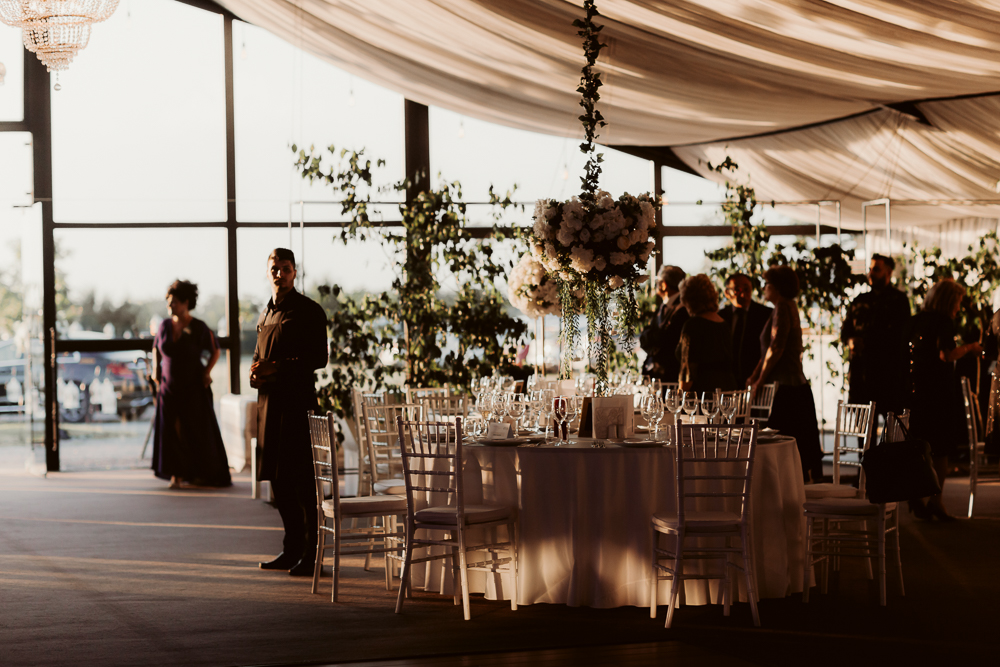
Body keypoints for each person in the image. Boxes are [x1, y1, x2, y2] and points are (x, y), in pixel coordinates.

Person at [254, 248, 330, 576]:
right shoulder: (266, 312)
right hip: (270, 405)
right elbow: (259, 356)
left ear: (295, 272)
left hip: (297, 405)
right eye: (275, 268)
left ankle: (313, 555)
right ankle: (292, 549)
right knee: (278, 481)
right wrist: (256, 374)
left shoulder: (309, 310)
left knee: (302, 483)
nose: (279, 274)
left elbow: (319, 358)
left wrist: (277, 367)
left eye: (285, 268)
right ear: (268, 272)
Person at [907, 279, 981, 521]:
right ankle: (936, 501)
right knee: (941, 449)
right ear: (949, 301)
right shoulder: (943, 322)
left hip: (916, 391)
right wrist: (970, 348)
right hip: (938, 393)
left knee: (919, 446)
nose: (959, 307)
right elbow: (946, 354)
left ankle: (916, 495)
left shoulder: (917, 320)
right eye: (958, 302)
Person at [151, 280, 232, 489]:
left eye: (174, 302)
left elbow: (215, 350)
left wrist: (206, 372)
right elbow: (156, 348)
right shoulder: (164, 326)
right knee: (171, 429)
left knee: (194, 430)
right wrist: (155, 370)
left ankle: (198, 472)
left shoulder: (198, 327)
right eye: (169, 302)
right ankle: (176, 474)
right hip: (168, 386)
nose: (170, 306)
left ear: (186, 302)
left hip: (192, 386)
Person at [748, 265, 824, 482]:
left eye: (767, 284)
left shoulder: (782, 307)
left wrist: (760, 380)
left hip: (787, 389)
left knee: (780, 443)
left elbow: (776, 348)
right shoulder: (785, 306)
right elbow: (769, 349)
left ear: (777, 287)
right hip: (792, 386)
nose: (764, 288)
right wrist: (756, 375)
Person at [841, 254, 911, 417]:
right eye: (870, 269)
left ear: (889, 272)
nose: (871, 273)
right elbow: (845, 331)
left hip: (888, 376)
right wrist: (851, 341)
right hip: (862, 376)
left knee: (891, 426)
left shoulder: (899, 301)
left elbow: (901, 336)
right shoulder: (859, 300)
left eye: (876, 269)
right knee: (863, 426)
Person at [676, 274, 737, 393]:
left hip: (704, 394)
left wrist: (680, 393)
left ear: (689, 300)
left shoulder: (692, 325)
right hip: (727, 390)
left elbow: (688, 369)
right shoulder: (723, 324)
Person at [718, 272, 772, 387]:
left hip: (755, 380)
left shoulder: (765, 314)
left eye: (747, 289)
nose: (743, 294)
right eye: (737, 290)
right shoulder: (720, 316)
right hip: (727, 381)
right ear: (727, 293)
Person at [640, 265, 688, 381]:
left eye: (658, 281)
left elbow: (669, 340)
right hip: (656, 374)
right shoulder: (661, 308)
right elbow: (645, 338)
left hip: (672, 374)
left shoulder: (683, 309)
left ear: (664, 284)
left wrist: (652, 335)